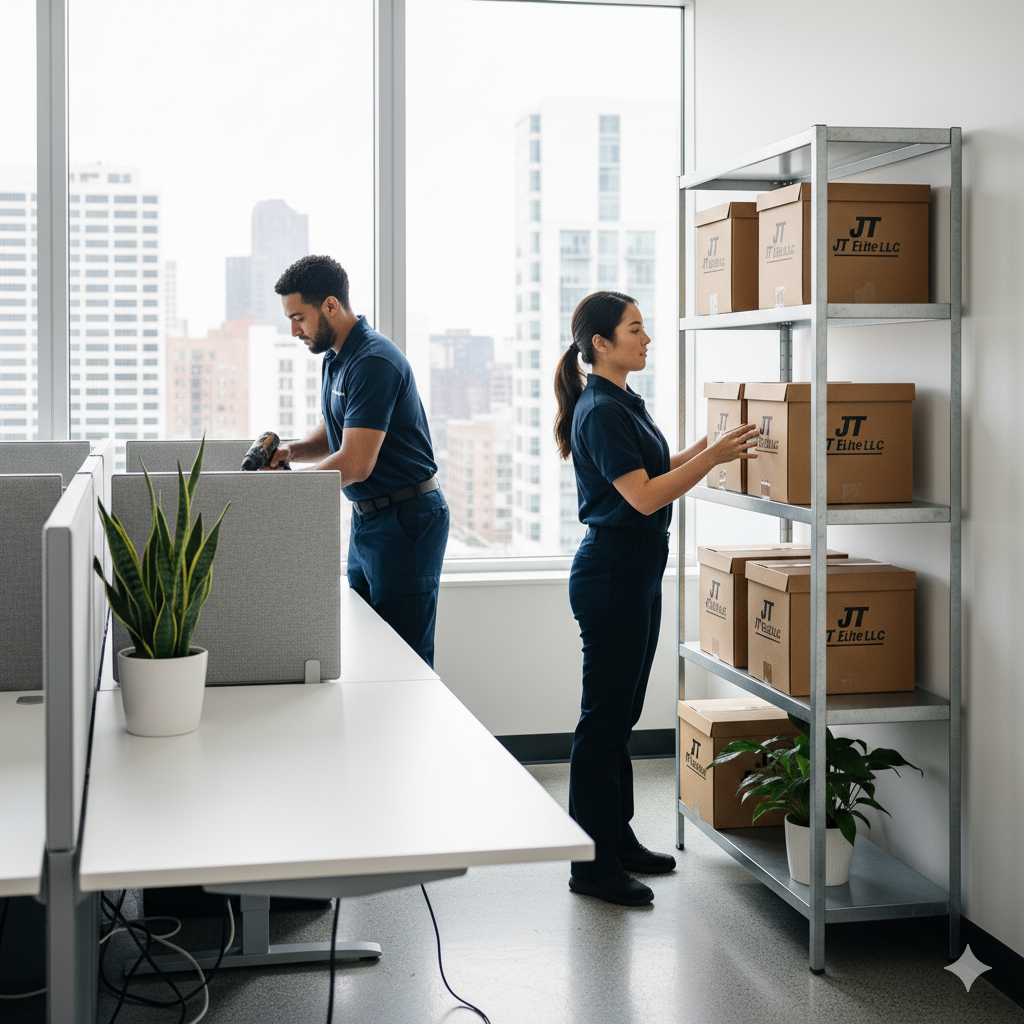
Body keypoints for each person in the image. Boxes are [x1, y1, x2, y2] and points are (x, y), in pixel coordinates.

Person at [553, 290, 758, 907]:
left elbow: (656, 467)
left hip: (635, 568)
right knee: (604, 721)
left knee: (622, 716)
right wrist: (714, 458)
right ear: (601, 344)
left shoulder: (620, 401)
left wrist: (707, 446)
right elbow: (644, 496)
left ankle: (617, 840)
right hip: (613, 570)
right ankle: (591, 866)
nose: (646, 340)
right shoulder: (600, 409)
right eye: (635, 330)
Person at [266, 255, 449, 668]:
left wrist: (282, 490)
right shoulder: (338, 357)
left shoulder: (372, 360)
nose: (294, 331)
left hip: (406, 520)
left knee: (404, 660)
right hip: (369, 519)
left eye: (299, 318)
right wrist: (291, 452)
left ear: (330, 305)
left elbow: (355, 462)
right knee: (369, 647)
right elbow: (335, 432)